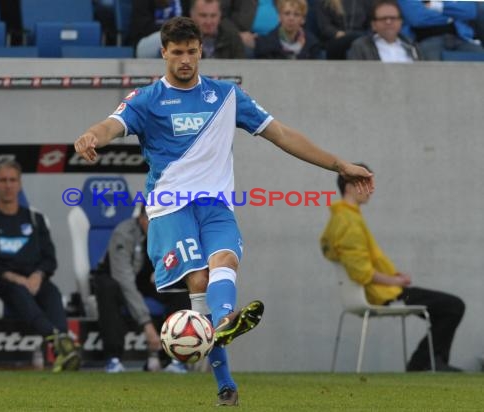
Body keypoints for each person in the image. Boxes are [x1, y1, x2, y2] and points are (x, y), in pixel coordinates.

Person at [74, 16, 373, 406]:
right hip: (170, 209)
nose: (185, 60)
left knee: (226, 261)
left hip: (216, 206)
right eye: (177, 52)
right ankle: (225, 354)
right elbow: (110, 125)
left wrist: (339, 165)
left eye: (192, 52)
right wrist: (90, 136)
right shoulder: (146, 99)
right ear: (163, 52)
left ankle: (226, 357)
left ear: (202, 52)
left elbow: (281, 134)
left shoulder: (227, 97)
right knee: (199, 283)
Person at [320, 164, 465, 372]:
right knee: (453, 306)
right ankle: (424, 364)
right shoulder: (348, 221)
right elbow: (361, 272)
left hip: (384, 289)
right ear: (350, 187)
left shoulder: (343, 217)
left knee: (445, 307)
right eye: (365, 183)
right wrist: (395, 281)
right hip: (383, 293)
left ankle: (426, 362)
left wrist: (394, 276)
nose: (371, 189)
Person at [0, 161, 80, 373]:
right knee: (18, 290)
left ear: (20, 184)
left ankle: (63, 353)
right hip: (1, 282)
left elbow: (50, 259)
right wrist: (14, 277)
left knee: (53, 292)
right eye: (3, 180)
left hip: (34, 280)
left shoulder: (35, 218)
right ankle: (58, 340)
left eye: (13, 180)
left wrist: (38, 275)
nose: (8, 185)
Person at [92, 207, 190, 373]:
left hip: (144, 282)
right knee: (107, 288)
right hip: (117, 280)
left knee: (179, 292)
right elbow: (125, 281)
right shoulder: (123, 233)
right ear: (142, 219)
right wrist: (146, 324)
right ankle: (113, 359)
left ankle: (176, 357)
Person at [137, 0, 245, 59]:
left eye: (213, 16)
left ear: (220, 15)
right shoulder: (178, 38)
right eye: (203, 15)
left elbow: (243, 71)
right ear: (192, 15)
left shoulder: (232, 36)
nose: (208, 21)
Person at [397, 0, 484, 61]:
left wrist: (435, 6)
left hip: (462, 38)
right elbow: (417, 17)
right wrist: (451, 16)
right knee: (437, 73)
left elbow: (471, 11)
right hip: (428, 40)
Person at [348, 0, 422, 62]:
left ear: (400, 22)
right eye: (383, 18)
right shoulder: (360, 47)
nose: (388, 22)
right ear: (373, 24)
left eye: (393, 18)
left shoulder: (411, 45)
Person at [255, 0, 322, 59]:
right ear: (279, 17)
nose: (291, 18)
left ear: (303, 19)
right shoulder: (265, 44)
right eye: (287, 13)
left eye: (296, 15)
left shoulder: (312, 45)